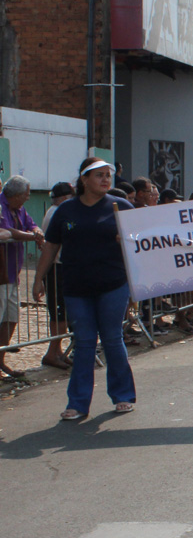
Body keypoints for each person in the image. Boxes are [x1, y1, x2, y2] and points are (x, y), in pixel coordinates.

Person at [32, 158, 137, 419]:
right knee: (84, 342)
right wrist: (38, 279)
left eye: (107, 175)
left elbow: (142, 243)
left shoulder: (121, 206)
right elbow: (51, 246)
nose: (105, 180)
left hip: (113, 284)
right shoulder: (66, 211)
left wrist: (126, 240)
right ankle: (77, 403)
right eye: (99, 175)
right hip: (77, 287)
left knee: (112, 339)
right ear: (84, 179)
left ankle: (122, 395)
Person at [0, 176, 45, 379]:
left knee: (11, 318)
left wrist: (36, 231)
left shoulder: (19, 209)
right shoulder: (1, 206)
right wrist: (32, 236)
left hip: (12, 273)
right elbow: (7, 232)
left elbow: (31, 224)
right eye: (26, 195)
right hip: (1, 274)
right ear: (16, 195)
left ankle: (0, 361)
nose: (28, 198)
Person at [39, 182, 76, 370]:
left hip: (60, 266)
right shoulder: (57, 212)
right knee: (59, 314)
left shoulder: (54, 211)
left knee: (61, 314)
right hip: (56, 267)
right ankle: (52, 352)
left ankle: (58, 351)